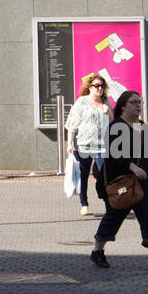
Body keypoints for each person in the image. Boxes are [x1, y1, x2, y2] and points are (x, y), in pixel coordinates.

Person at [90, 90, 148, 274]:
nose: (138, 105)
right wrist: (132, 167)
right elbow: (112, 156)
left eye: (140, 102)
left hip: (146, 183)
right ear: (122, 106)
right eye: (133, 102)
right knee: (114, 217)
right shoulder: (115, 127)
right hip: (122, 183)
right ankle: (97, 250)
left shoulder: (145, 128)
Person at [66, 72, 111, 216]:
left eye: (102, 86)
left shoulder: (105, 102)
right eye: (96, 86)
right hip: (84, 144)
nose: (99, 88)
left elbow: (113, 121)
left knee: (104, 174)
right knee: (83, 175)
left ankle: (108, 203)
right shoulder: (82, 102)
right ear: (90, 87)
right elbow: (73, 124)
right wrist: (69, 143)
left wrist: (107, 110)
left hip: (102, 145)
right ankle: (84, 204)